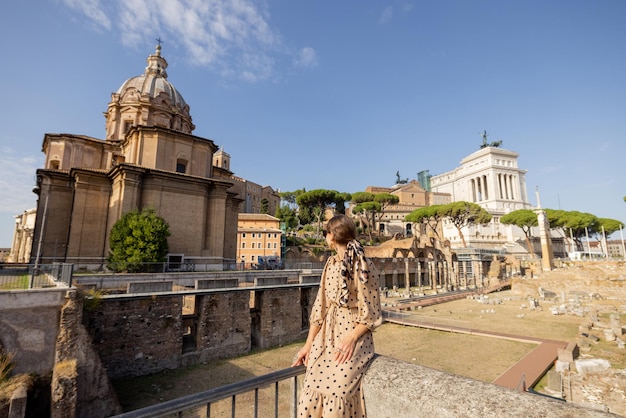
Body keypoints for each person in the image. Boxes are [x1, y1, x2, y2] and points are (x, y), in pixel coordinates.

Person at [292, 214, 382, 417]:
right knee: (310, 393)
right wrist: (308, 345)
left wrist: (350, 339)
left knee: (338, 393)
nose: (325, 236)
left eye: (326, 232)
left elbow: (372, 314)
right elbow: (320, 308)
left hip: (353, 336)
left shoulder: (364, 268)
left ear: (332, 236)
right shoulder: (331, 264)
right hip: (326, 336)